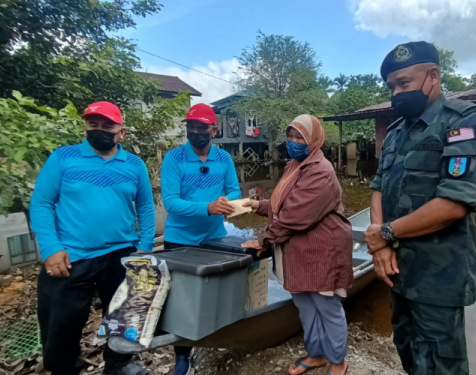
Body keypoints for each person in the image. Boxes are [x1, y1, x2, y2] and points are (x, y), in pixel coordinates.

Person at [363, 41, 476, 375]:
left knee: (442, 363)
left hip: (439, 277)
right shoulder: (397, 132)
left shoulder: (465, 125)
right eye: (391, 87)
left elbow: (453, 204)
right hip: (397, 269)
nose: (396, 93)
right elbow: (379, 186)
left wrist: (383, 234)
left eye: (404, 84)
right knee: (408, 351)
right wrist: (381, 247)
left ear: (433, 75)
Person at [31, 101, 155, 375]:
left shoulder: (134, 164)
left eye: (108, 125)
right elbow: (41, 203)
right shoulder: (63, 158)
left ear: (121, 131)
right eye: (93, 124)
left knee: (124, 314)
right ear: (85, 126)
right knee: (61, 322)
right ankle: (64, 369)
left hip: (123, 254)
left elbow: (145, 206)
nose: (100, 130)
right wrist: (50, 248)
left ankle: (119, 363)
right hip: (71, 255)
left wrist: (144, 246)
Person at [242, 115, 354, 375]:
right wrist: (261, 205)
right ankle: (316, 355)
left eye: (300, 138)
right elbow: (286, 205)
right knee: (305, 306)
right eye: (290, 136)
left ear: (314, 140)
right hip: (298, 251)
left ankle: (338, 360)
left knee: (327, 307)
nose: (293, 142)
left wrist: (264, 241)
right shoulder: (295, 165)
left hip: (322, 252)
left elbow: (294, 216)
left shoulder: (320, 172)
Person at [160, 103, 240, 375]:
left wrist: (227, 202)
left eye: (201, 127)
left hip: (215, 236)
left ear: (213, 130)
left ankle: (213, 337)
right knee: (180, 301)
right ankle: (182, 355)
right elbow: (170, 202)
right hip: (180, 239)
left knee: (214, 290)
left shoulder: (224, 159)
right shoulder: (173, 158)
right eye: (190, 126)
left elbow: (234, 190)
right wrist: (207, 207)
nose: (195, 131)